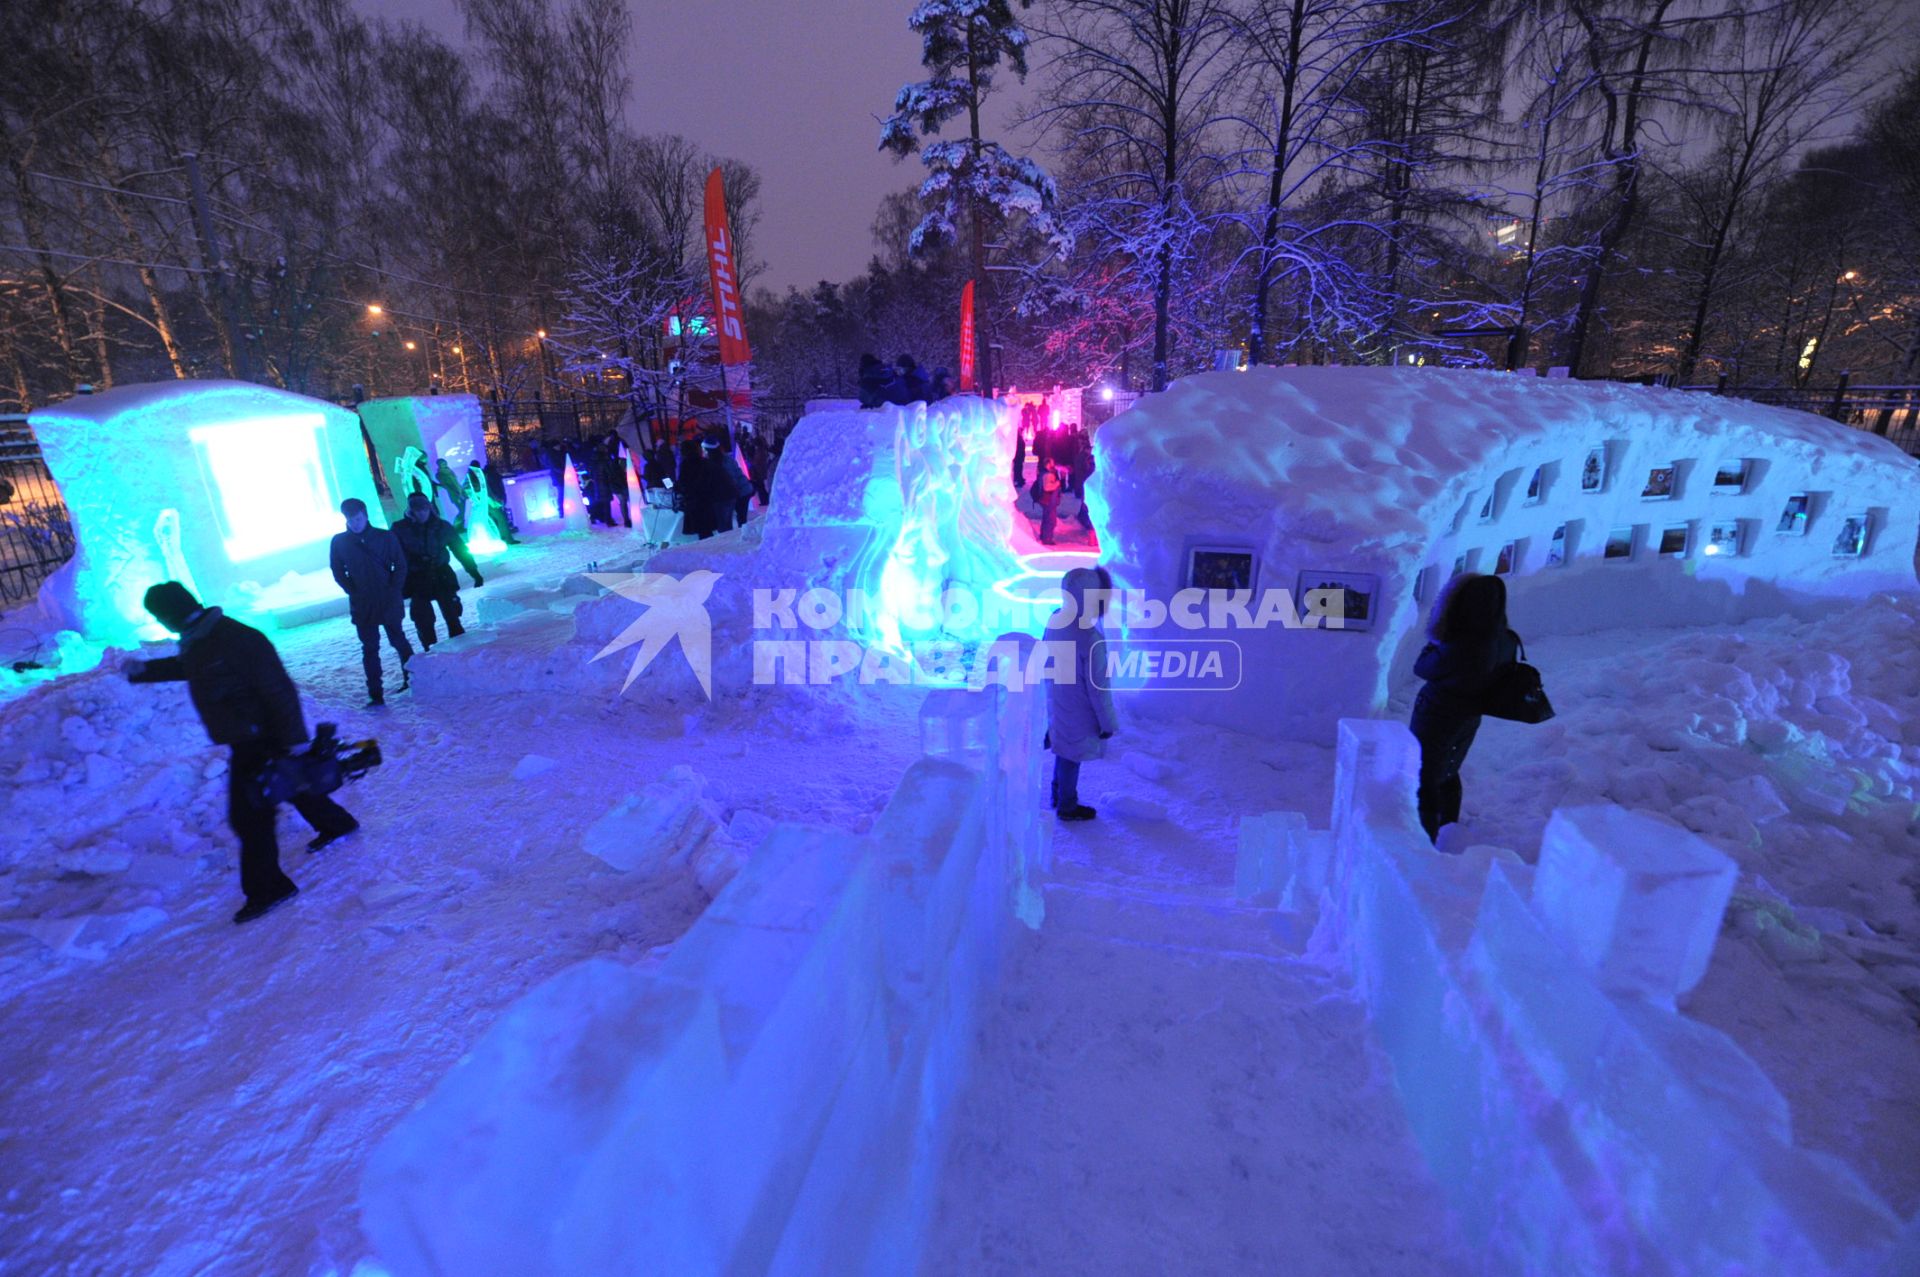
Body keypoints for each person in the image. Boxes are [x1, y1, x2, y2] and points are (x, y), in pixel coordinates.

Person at [126, 582, 359, 924]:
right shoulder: (201, 638)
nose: (160, 624)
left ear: (172, 612)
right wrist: (144, 672)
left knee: (249, 817)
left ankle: (269, 888)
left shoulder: (234, 638)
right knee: (290, 784)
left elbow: (278, 688)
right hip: (249, 736)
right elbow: (194, 667)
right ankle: (337, 823)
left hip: (261, 736)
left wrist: (294, 740)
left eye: (159, 616)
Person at [1409, 573, 1520, 844]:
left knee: (1426, 776)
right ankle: (1449, 828)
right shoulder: (1505, 639)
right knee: (1449, 771)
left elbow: (1422, 667)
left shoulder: (1459, 644)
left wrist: (1436, 636)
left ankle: (1425, 839)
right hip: (1469, 715)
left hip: (1437, 715)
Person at [1045, 564, 1118, 822]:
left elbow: (1046, 660)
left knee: (1063, 749)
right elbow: (1098, 689)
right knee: (1071, 757)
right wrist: (1108, 723)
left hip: (1058, 699)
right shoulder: (1090, 639)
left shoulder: (1055, 619)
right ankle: (1067, 805)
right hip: (1079, 709)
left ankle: (1057, 794)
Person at [329, 497, 413, 707]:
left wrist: (393, 590)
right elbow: (338, 570)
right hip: (363, 603)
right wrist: (353, 590)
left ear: (365, 515)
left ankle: (413, 680)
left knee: (399, 640)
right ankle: (375, 693)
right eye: (351, 520)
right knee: (369, 648)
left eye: (358, 518)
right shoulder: (339, 541)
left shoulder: (385, 537)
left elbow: (400, 565)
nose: (355, 523)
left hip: (387, 599)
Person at [393, 490, 483, 650]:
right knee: (423, 620)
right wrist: (395, 583)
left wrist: (473, 571)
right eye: (417, 510)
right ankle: (430, 650)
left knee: (452, 615)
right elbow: (393, 556)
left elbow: (460, 549)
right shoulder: (400, 529)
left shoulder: (442, 526)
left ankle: (461, 649)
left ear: (429, 508)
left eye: (424, 509)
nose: (421, 514)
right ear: (411, 511)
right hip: (416, 579)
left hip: (441, 575)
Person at [1066, 429, 1097, 532]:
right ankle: (1084, 520)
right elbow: (1086, 472)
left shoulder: (1080, 457)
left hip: (1081, 482)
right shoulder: (1084, 459)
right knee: (1085, 503)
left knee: (1084, 503)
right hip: (1084, 483)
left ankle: (1082, 518)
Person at [1032, 459, 1065, 545]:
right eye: (1052, 462)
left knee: (1046, 519)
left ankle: (1044, 536)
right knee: (1051, 520)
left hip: (1047, 501)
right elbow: (1047, 487)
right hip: (1049, 501)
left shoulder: (1044, 473)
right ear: (1048, 464)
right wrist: (1057, 483)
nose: (1054, 464)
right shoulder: (1048, 474)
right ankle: (1047, 539)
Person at [1011, 423, 1027, 497]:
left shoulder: (1019, 438)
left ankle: (1019, 478)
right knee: (1017, 468)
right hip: (1018, 456)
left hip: (1019, 456)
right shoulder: (1018, 439)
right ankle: (1018, 479)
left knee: (1019, 468)